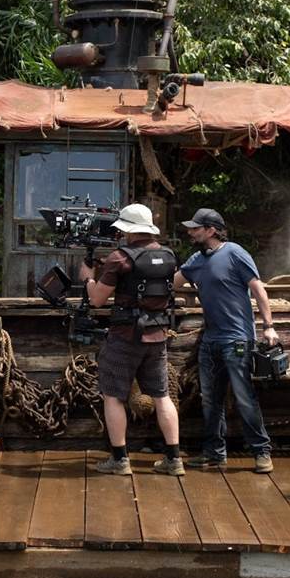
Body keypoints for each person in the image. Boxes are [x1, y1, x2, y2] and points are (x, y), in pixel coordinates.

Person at [78, 203, 184, 476]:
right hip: (157, 335)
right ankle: (174, 459)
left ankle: (120, 460)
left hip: (125, 337)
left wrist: (89, 279)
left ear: (128, 230)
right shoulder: (169, 255)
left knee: (113, 396)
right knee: (162, 396)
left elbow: (98, 300)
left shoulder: (118, 258)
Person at [173, 208, 278, 474]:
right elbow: (173, 283)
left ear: (211, 230)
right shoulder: (196, 260)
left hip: (237, 339)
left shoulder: (235, 253)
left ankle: (261, 452)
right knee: (210, 400)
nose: (190, 232)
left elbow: (258, 289)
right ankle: (214, 454)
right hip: (210, 340)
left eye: (195, 228)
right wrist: (190, 297)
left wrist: (269, 326)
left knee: (244, 397)